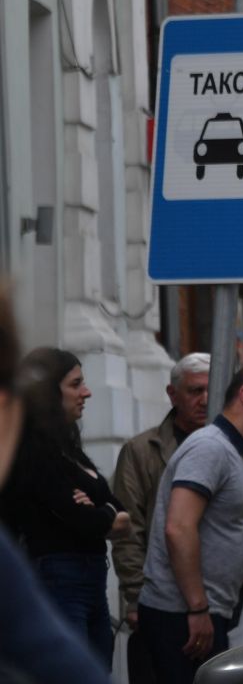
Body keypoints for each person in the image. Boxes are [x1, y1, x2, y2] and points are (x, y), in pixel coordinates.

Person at [111, 352, 243, 682]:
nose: (205, 400)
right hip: (176, 604)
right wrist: (135, 595)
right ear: (172, 394)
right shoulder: (142, 450)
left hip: (232, 599)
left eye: (211, 390)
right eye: (194, 391)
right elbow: (134, 529)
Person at [0, 287, 115, 684]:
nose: (87, 392)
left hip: (92, 579)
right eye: (76, 384)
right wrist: (103, 515)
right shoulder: (35, 452)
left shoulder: (69, 448)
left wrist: (102, 512)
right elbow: (81, 518)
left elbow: (114, 511)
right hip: (61, 576)